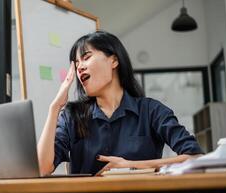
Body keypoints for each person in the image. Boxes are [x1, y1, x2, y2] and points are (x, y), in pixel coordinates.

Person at [37, 30, 203, 175]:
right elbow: (42, 169)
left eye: (86, 57)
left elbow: (195, 157)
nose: (79, 67)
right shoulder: (71, 116)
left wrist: (130, 166)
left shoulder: (152, 111)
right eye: (76, 63)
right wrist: (54, 108)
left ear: (114, 61)